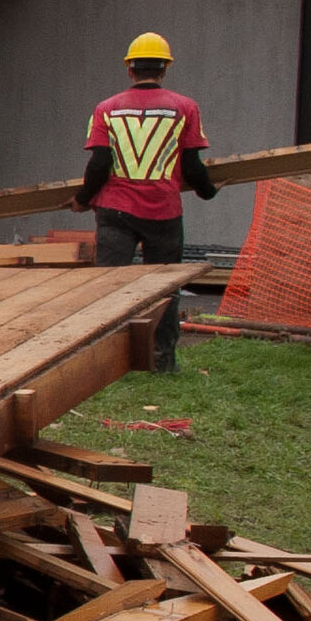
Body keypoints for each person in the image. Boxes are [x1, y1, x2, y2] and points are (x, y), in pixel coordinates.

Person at [79, 29, 219, 372]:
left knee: (109, 289)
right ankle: (161, 362)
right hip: (163, 211)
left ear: (130, 69)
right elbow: (191, 166)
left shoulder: (106, 109)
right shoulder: (185, 108)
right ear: (164, 70)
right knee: (164, 291)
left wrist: (83, 199)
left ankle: (103, 364)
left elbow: (99, 163)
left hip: (115, 210)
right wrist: (208, 190)